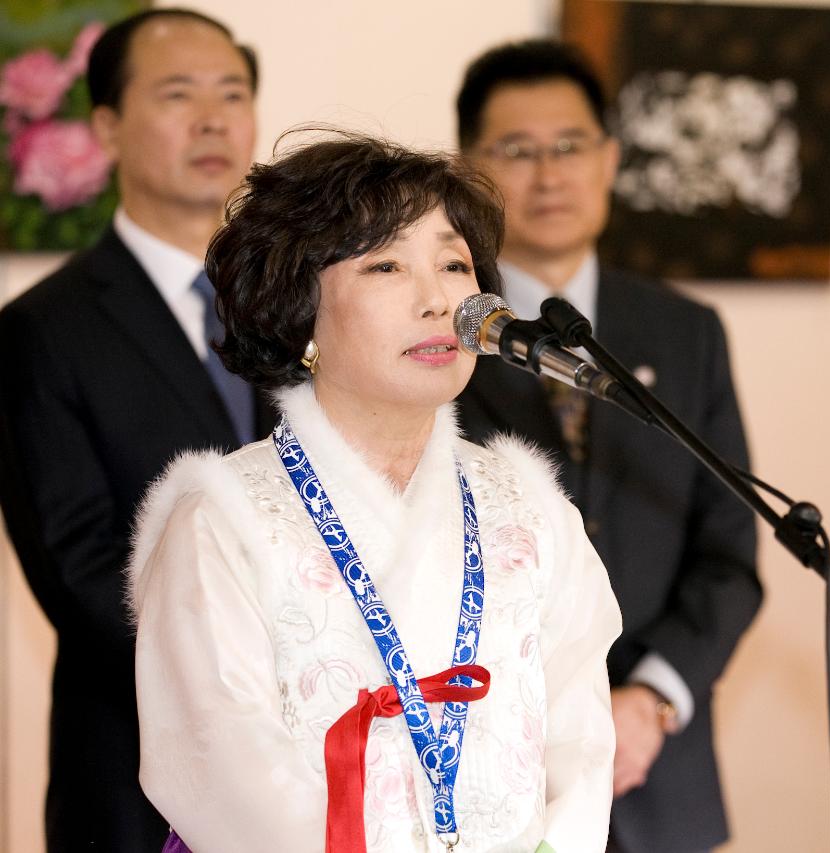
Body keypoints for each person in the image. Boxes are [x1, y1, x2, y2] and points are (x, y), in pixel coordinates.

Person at [127, 132, 622, 852]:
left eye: (455, 264)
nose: (437, 299)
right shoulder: (223, 518)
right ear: (300, 308)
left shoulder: (529, 507)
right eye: (386, 264)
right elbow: (220, 768)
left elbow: (581, 741)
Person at [453, 40, 761, 853]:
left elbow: (730, 554)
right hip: (484, 780)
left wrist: (652, 696)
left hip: (661, 783)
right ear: (467, 169)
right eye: (516, 150)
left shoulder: (685, 332)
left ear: (610, 158)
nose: (548, 175)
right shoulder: (436, 335)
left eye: (570, 146)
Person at [0, 9, 263, 850]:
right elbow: (80, 571)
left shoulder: (297, 307)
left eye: (233, 93)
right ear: (107, 125)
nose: (215, 118)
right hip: (135, 779)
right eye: (179, 94)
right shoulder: (44, 328)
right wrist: (262, 680)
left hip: (312, 778)